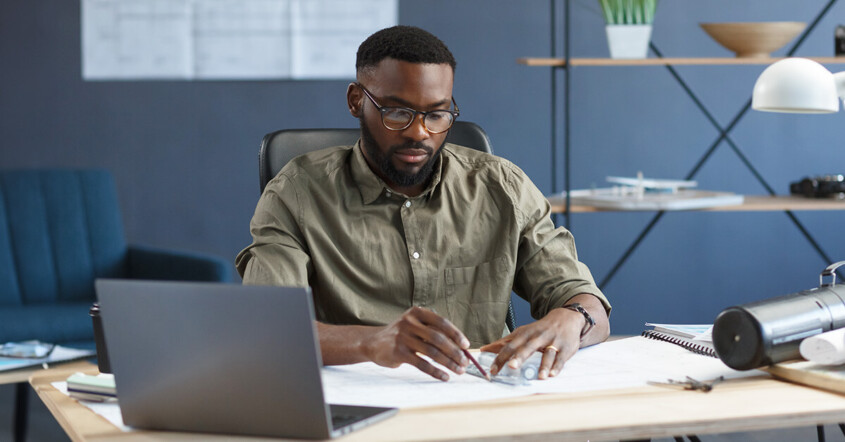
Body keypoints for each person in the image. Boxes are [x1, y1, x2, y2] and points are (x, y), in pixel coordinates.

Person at [236, 25, 610, 382]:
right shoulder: (296, 193)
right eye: (397, 112)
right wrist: (373, 342)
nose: (419, 133)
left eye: (436, 114)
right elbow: (266, 327)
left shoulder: (502, 186)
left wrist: (572, 318)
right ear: (356, 101)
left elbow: (588, 303)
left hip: (483, 399)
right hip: (362, 403)